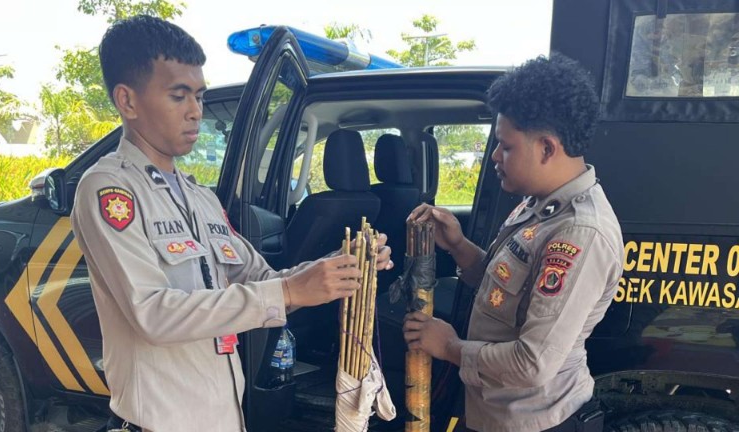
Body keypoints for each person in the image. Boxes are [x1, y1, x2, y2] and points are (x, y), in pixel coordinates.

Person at [70, 15, 393, 432]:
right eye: (178, 95)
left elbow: (262, 277)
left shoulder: (199, 198)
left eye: (200, 97)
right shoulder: (110, 191)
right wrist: (289, 290)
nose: (194, 112)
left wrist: (338, 267)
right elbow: (153, 313)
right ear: (127, 101)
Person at [402, 53, 623, 432]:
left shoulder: (579, 233)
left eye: (506, 147)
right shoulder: (540, 204)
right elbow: (504, 288)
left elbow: (532, 363)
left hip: (531, 422)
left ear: (547, 148)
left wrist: (450, 347)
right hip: (496, 412)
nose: (495, 156)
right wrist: (458, 245)